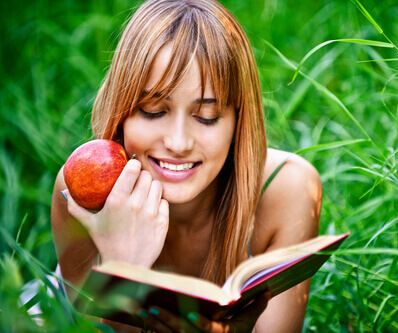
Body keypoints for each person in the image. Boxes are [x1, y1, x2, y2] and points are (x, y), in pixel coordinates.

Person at [51, 0, 322, 331]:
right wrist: (123, 270)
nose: (178, 143)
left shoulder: (287, 189)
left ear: (238, 121)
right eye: (153, 111)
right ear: (122, 112)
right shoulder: (81, 190)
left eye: (206, 116)